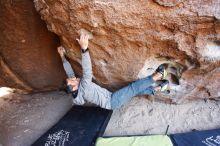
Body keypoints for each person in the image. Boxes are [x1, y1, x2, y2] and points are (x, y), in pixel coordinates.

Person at [57, 34, 169, 110]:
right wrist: (84, 48)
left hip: (110, 98)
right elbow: (87, 71)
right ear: (73, 87)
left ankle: (158, 89)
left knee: (133, 92)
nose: (73, 77)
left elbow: (70, 74)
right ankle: (158, 76)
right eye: (72, 80)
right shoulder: (84, 87)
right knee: (133, 88)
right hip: (112, 100)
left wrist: (62, 57)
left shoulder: (76, 93)